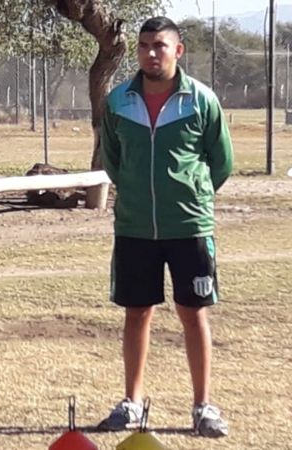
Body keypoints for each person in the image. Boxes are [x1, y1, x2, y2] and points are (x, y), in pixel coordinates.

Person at [97, 16, 233, 438]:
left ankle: (203, 407)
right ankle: (131, 404)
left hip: (189, 226)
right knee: (137, 313)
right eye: (144, 46)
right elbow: (114, 162)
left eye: (159, 45)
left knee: (193, 314)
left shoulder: (202, 101)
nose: (150, 53)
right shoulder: (118, 100)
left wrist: (191, 195)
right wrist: (138, 193)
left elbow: (221, 162)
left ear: (179, 51)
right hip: (135, 227)